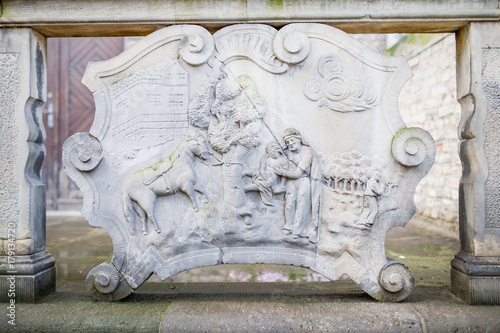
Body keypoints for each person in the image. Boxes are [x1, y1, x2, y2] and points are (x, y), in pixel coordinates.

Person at [273, 128, 321, 243]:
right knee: (289, 204)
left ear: (299, 140)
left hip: (303, 180)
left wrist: (282, 172)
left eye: (293, 141)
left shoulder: (307, 151)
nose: (290, 144)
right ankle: (288, 225)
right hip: (291, 181)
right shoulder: (288, 152)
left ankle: (297, 230)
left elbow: (298, 173)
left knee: (302, 205)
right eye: (288, 143)